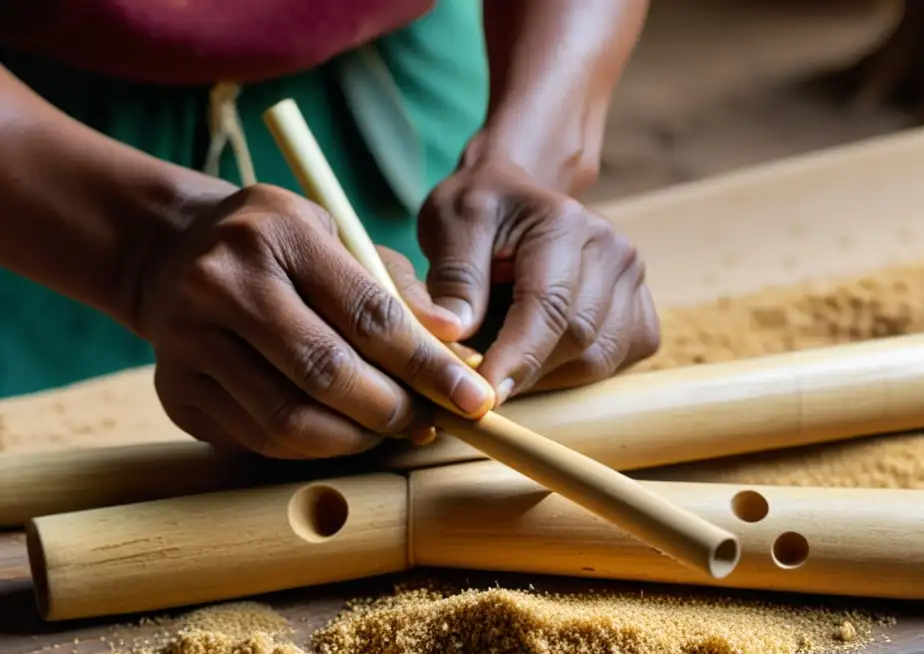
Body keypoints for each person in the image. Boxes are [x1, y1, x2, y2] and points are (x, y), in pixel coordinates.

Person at [0, 0, 660, 460]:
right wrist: (142, 249)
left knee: (383, 379)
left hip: (396, 71)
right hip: (36, 146)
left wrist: (532, 152)